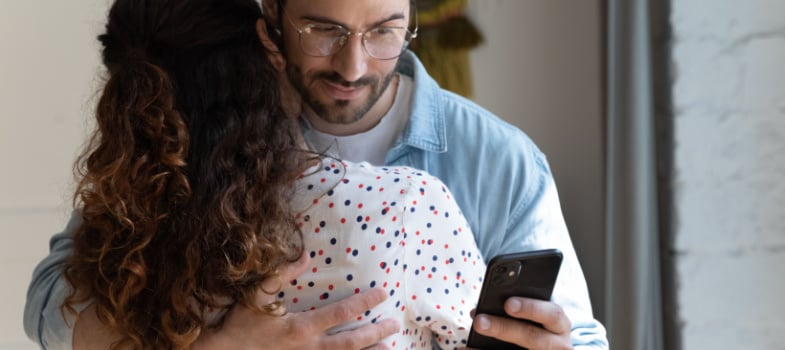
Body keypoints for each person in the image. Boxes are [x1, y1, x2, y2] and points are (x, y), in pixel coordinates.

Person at [25, 0, 609, 349]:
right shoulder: (190, 138)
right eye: (323, 29)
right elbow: (51, 301)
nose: (353, 66)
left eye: (383, 31)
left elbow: (583, 339)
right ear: (270, 23)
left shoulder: (501, 160)